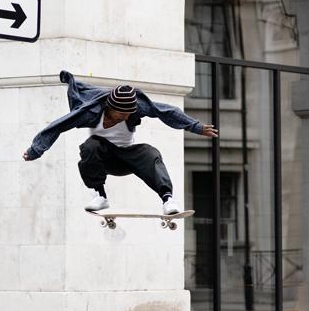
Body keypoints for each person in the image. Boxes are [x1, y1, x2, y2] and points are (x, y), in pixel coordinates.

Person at [23, 72, 218, 214]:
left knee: (151, 153)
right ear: (110, 107)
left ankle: (167, 199)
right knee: (91, 144)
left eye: (129, 114)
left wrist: (196, 126)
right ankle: (100, 195)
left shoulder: (136, 108)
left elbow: (166, 111)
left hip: (129, 159)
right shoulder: (90, 112)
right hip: (104, 159)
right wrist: (35, 150)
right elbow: (59, 125)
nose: (125, 117)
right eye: (121, 114)